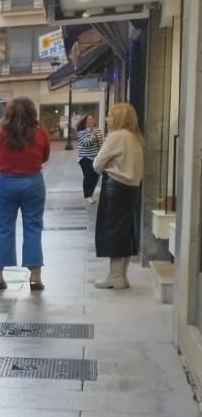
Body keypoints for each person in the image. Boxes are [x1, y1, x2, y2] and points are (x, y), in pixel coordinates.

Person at [0, 96, 52, 292]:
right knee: (33, 227)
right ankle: (35, 276)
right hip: (33, 182)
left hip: (6, 182)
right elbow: (45, 156)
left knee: (3, 227)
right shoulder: (40, 132)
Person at [92, 102, 144, 289]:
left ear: (119, 118)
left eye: (109, 115)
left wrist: (107, 168)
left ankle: (115, 276)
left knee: (112, 229)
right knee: (125, 229)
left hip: (115, 186)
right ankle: (121, 275)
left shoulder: (116, 136)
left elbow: (97, 164)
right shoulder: (135, 137)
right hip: (131, 188)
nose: (106, 119)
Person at [76, 114, 103, 200]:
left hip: (95, 157)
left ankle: (90, 193)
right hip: (84, 158)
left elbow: (100, 143)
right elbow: (86, 143)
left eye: (92, 119)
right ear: (85, 123)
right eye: (89, 120)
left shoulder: (98, 131)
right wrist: (93, 134)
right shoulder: (81, 132)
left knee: (96, 176)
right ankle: (87, 195)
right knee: (88, 176)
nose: (91, 121)